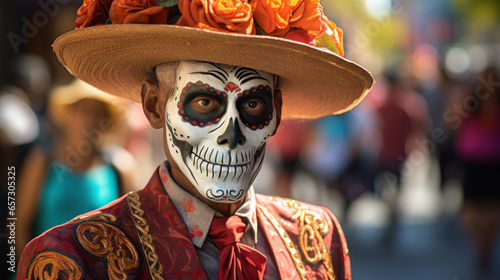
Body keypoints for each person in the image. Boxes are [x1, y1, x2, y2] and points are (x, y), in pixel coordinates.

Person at [18, 0, 374, 279]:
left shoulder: (316, 237)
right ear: (155, 106)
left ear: (276, 113)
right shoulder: (72, 260)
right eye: (205, 102)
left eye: (252, 104)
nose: (231, 137)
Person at [16, 80, 135, 257]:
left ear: (105, 120)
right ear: (69, 114)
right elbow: (19, 226)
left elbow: (128, 234)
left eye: (97, 113)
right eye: (83, 110)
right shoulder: (42, 160)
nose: (89, 120)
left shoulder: (120, 167)